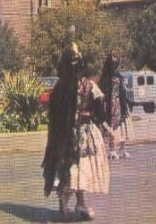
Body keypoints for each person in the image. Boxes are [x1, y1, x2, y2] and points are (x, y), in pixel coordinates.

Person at [43, 26, 110, 221]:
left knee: (84, 169)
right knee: (70, 169)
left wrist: (105, 127)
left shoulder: (89, 85)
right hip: (67, 135)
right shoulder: (60, 88)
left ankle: (80, 203)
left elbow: (100, 109)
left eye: (76, 63)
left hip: (86, 133)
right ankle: (65, 198)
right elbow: (55, 114)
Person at [98, 53, 132, 160]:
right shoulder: (105, 78)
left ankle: (122, 149)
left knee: (121, 127)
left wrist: (125, 107)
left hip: (119, 104)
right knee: (110, 127)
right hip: (109, 105)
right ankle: (111, 150)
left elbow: (123, 92)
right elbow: (101, 93)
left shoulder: (119, 76)